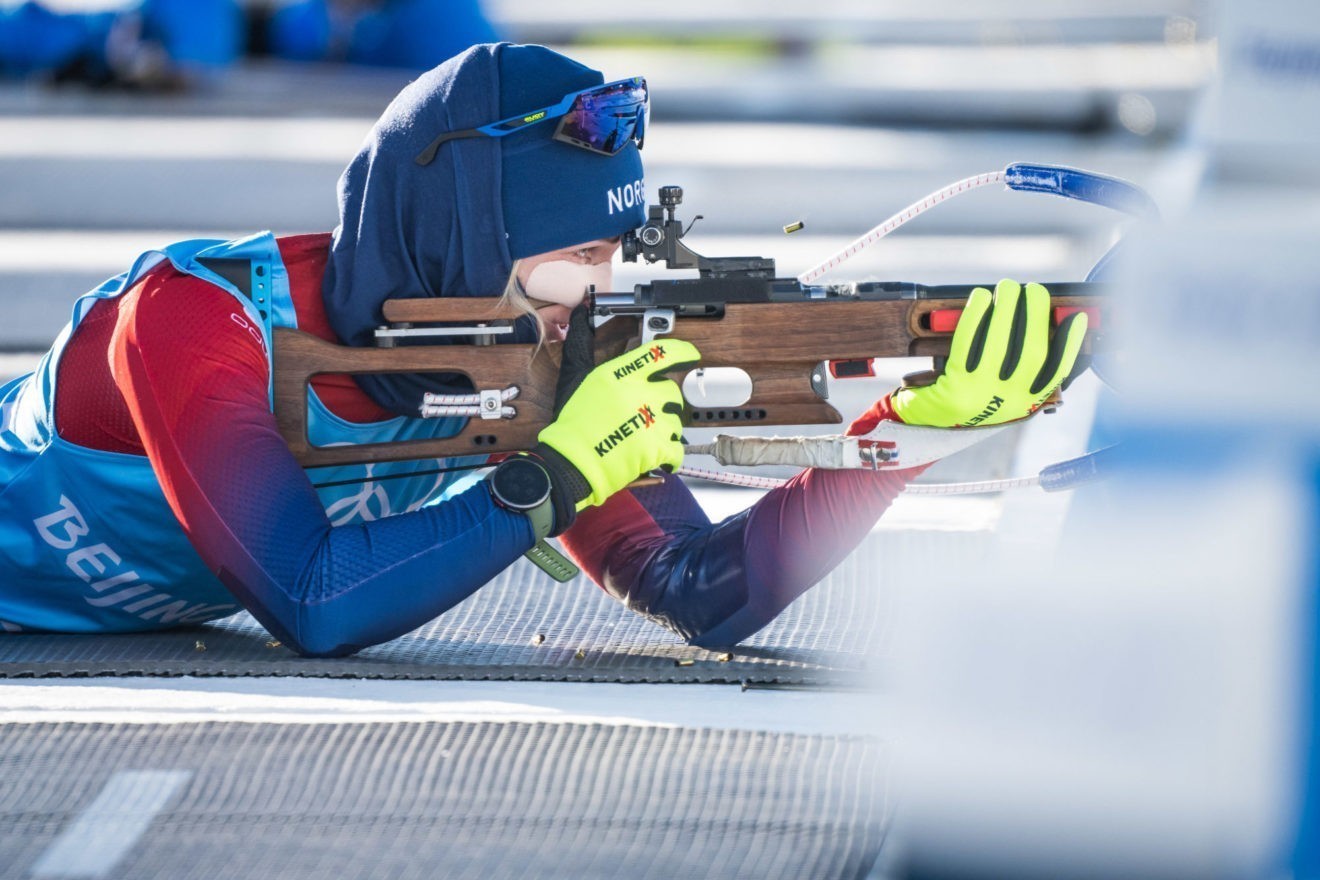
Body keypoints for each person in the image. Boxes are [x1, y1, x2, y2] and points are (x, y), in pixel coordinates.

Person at [0, 43, 1087, 654]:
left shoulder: (536, 354)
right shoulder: (192, 323)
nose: (600, 291)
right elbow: (313, 601)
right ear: (466, 238)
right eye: (577, 254)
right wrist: (555, 477)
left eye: (617, 253)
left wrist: (899, 444)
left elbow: (700, 592)